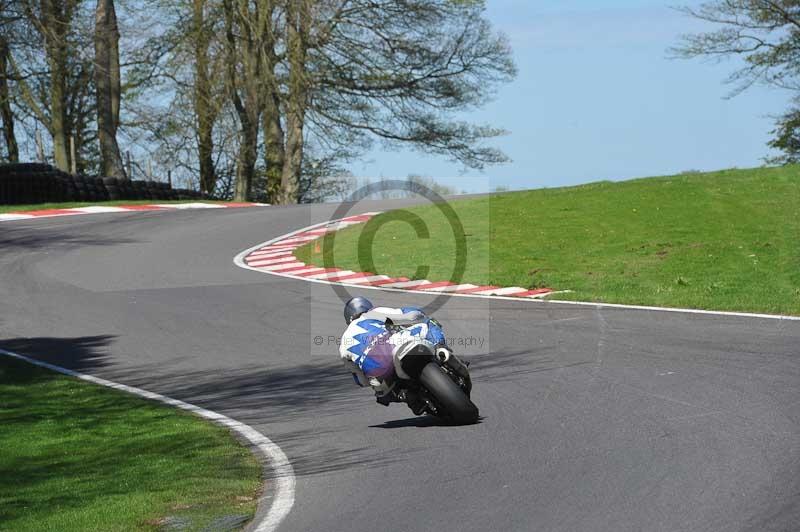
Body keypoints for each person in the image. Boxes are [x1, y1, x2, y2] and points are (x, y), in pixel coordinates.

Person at [339, 296, 431, 413]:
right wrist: (417, 313)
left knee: (380, 391)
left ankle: (411, 398)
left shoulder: (343, 342)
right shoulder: (374, 313)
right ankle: (441, 349)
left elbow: (361, 381)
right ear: (367, 306)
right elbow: (407, 313)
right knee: (429, 323)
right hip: (396, 345)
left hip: (378, 371)